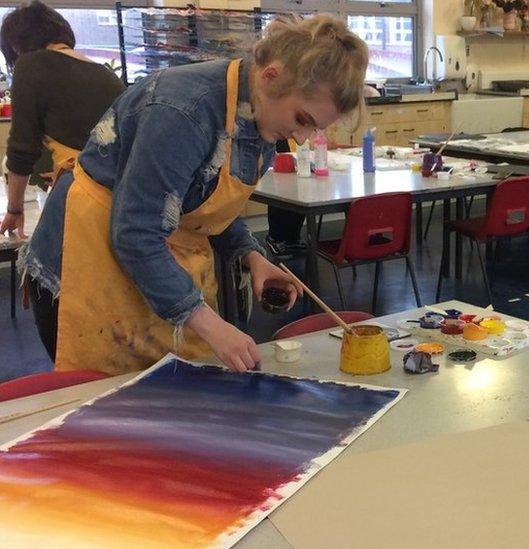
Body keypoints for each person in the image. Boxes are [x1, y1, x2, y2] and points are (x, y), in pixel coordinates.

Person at [19, 15, 369, 373]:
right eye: (302, 119)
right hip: (91, 259)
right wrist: (208, 322)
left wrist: (251, 255)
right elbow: (136, 233)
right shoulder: (182, 111)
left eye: (315, 127)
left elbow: (204, 203)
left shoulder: (261, 115)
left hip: (155, 256)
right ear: (271, 76)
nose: (304, 137)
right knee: (113, 405)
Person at [0, 1, 123, 239]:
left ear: (16, 45)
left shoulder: (31, 64)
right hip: (119, 199)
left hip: (84, 197)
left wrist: (14, 209)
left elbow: (23, 149)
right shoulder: (105, 74)